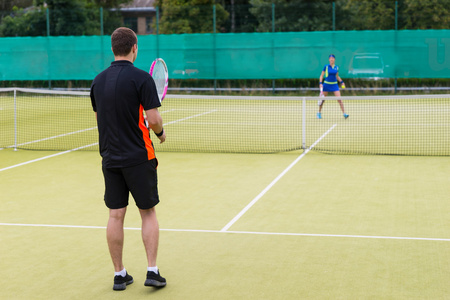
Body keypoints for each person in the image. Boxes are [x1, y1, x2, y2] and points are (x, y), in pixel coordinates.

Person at [90, 27, 167, 291]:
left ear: (113, 49)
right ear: (134, 48)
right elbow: (154, 119)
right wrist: (160, 132)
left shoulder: (98, 81)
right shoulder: (141, 79)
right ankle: (152, 271)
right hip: (138, 156)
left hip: (110, 158)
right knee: (147, 213)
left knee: (115, 215)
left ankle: (119, 274)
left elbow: (101, 120)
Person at [317, 54, 349, 119]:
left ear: (334, 59)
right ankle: (319, 113)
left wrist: (342, 82)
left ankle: (344, 113)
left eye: (333, 58)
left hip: (334, 85)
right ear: (329, 59)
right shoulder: (325, 67)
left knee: (339, 99)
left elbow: (337, 76)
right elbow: (321, 75)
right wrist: (320, 83)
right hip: (326, 85)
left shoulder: (336, 67)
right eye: (330, 58)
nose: (331, 59)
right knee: (322, 100)